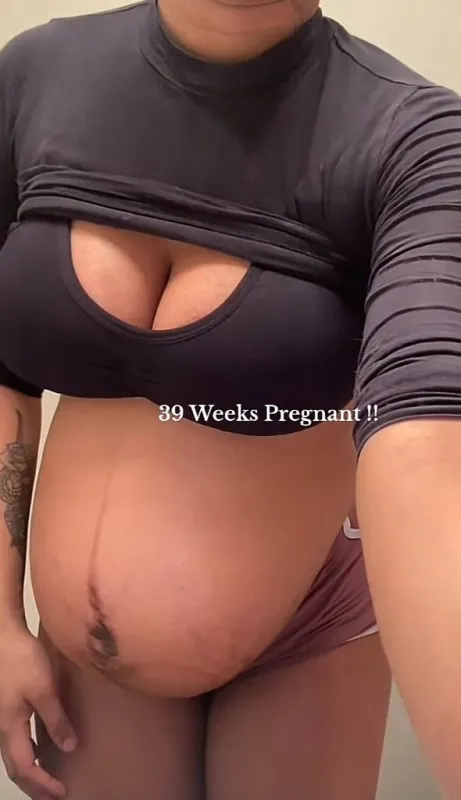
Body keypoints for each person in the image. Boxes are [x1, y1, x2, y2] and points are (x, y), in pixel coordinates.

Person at [0, 0, 460, 797]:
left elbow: (426, 437)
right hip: (89, 670)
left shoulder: (414, 135)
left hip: (307, 631)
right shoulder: (35, 73)